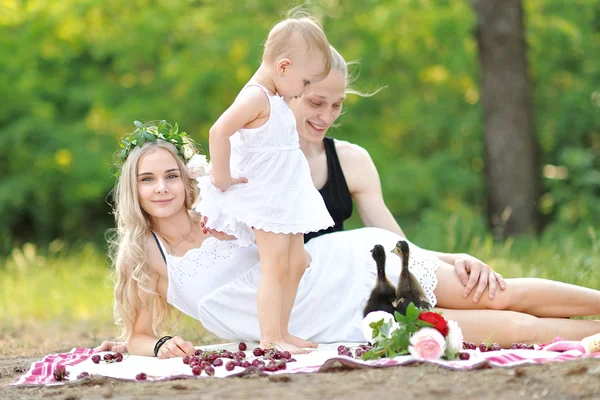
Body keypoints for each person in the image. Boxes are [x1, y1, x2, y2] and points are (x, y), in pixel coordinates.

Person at [99, 124, 600, 358]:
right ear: (133, 188)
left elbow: (281, 214)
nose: (161, 188)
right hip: (333, 321)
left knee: (500, 291)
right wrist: (162, 343)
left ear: (185, 178)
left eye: (169, 175)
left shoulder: (221, 206)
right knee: (503, 327)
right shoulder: (145, 258)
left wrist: (233, 213)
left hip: (350, 265)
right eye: (147, 179)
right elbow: (136, 337)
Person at [196, 11, 335, 354]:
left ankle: (283, 331)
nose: (304, 92)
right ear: (284, 67)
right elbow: (219, 131)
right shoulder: (256, 97)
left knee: (296, 262)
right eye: (305, 84)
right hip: (267, 196)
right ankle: (272, 335)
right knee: (275, 266)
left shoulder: (275, 98)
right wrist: (223, 176)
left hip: (287, 194)